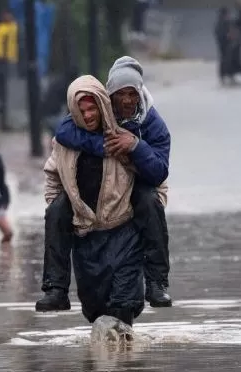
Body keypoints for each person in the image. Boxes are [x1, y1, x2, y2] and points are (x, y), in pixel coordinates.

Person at [37, 56, 171, 312]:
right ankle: (55, 288)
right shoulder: (92, 115)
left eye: (133, 94)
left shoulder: (153, 125)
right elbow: (65, 132)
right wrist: (104, 147)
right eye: (121, 94)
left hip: (134, 193)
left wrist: (135, 146)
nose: (128, 101)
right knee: (56, 211)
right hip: (90, 210)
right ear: (109, 97)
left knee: (149, 203)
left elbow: (159, 173)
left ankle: (157, 283)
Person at [43, 75, 145, 326]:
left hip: (123, 232)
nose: (88, 115)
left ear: (102, 105)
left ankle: (157, 284)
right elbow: (53, 177)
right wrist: (62, 209)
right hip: (86, 236)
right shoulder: (65, 141)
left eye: (92, 108)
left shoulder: (125, 136)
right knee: (96, 311)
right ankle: (55, 289)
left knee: (122, 307)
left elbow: (154, 177)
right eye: (82, 111)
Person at [0, 10, 19, 110]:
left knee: (10, 82)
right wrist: (0, 55)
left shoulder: (13, 27)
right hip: (3, 59)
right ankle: (2, 103)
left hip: (11, 58)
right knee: (3, 82)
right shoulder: (1, 28)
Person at [215, 7, 241, 85]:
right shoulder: (221, 23)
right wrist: (227, 37)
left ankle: (231, 77)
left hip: (230, 45)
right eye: (227, 14)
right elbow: (220, 35)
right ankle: (223, 78)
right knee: (225, 61)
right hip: (224, 46)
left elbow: (238, 23)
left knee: (231, 61)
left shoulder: (229, 22)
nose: (229, 15)